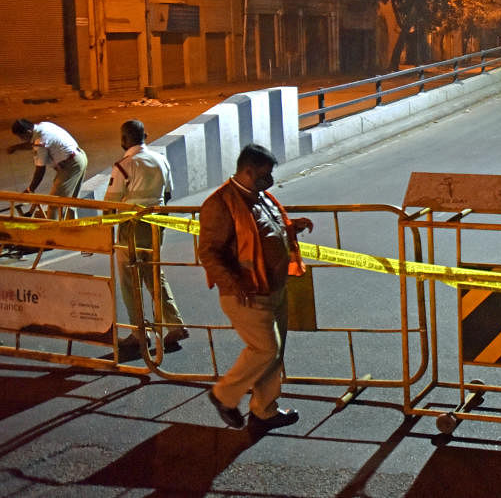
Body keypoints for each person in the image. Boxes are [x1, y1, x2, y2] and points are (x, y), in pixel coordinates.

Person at [197, 143, 312, 434]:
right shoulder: (220, 204)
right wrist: (232, 283)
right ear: (248, 171)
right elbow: (209, 253)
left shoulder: (261, 197)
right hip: (246, 293)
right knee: (265, 349)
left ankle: (264, 410)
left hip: (274, 288)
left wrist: (291, 227)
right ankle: (223, 395)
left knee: (275, 353)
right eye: (265, 174)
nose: (270, 179)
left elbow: (266, 231)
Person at [104, 119, 188, 356]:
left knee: (130, 280)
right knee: (153, 273)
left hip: (130, 228)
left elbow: (109, 204)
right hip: (156, 224)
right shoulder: (161, 159)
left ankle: (139, 332)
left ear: (124, 139)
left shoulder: (123, 166)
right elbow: (169, 193)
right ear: (146, 135)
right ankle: (174, 323)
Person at [9, 119, 88, 219]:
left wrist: (30, 189)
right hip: (79, 157)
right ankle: (72, 229)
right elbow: (36, 143)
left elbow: (40, 170)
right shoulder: (43, 126)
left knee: (54, 203)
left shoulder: (40, 141)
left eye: (21, 137)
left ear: (28, 132)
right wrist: (16, 147)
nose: (21, 139)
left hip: (71, 166)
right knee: (70, 202)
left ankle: (52, 230)